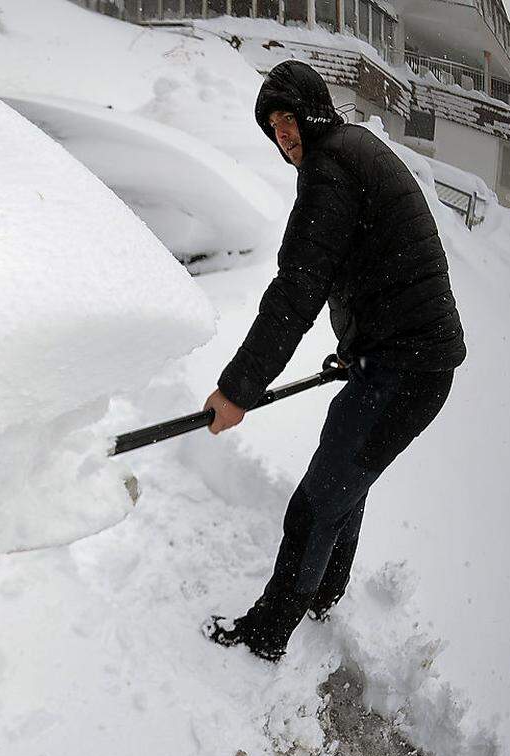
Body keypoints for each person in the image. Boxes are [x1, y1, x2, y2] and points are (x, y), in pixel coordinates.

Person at [201, 60, 466, 662]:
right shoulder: (350, 150)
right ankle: (322, 591)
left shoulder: (330, 171)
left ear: (311, 113)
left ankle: (269, 632)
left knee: (318, 501)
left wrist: (238, 390)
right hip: (404, 362)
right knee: (346, 472)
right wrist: (357, 351)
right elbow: (375, 265)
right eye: (273, 126)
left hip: (408, 369)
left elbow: (296, 292)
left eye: (288, 119)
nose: (282, 135)